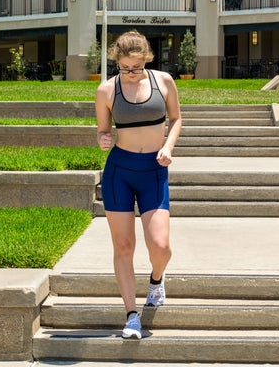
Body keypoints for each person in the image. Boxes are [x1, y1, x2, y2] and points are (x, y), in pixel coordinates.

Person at [95, 30, 182, 340]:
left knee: (160, 247)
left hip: (154, 171)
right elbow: (103, 134)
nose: (130, 74)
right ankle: (132, 315)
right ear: (117, 63)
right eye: (124, 68)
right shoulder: (107, 90)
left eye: (136, 67)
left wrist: (168, 146)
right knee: (123, 246)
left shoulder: (164, 82)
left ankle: (156, 281)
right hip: (119, 171)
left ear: (147, 59)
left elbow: (176, 119)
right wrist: (103, 140)